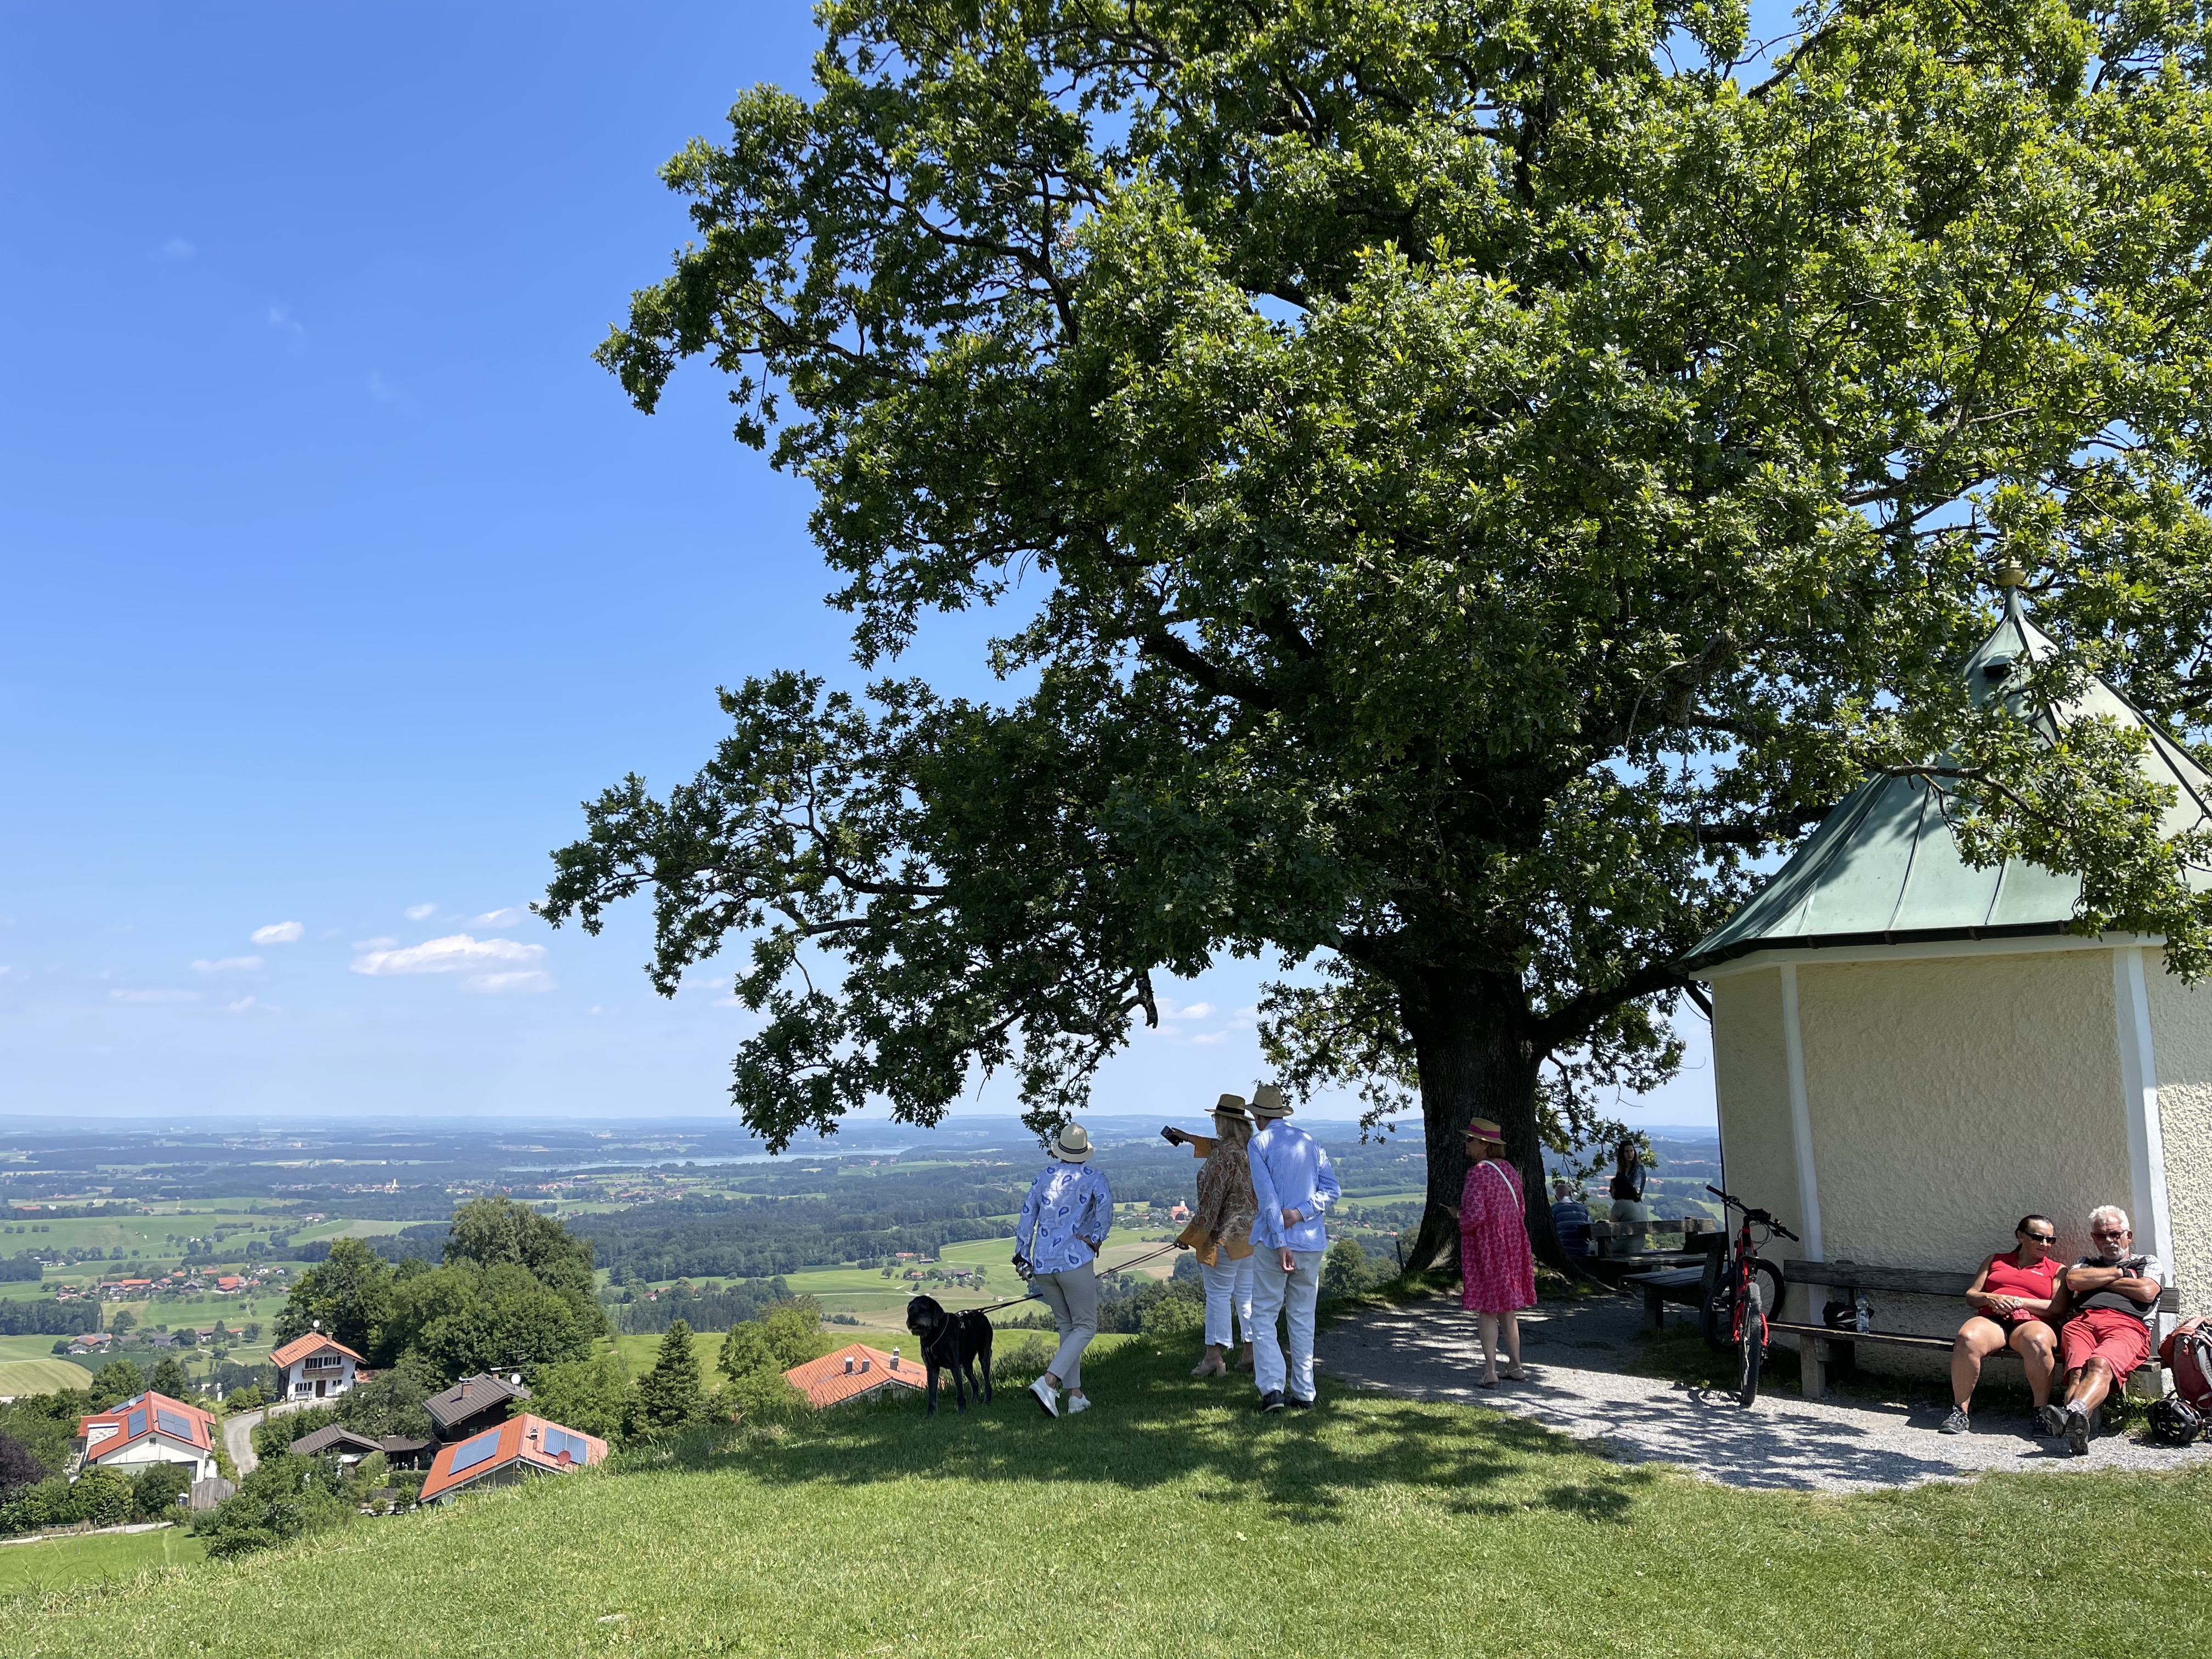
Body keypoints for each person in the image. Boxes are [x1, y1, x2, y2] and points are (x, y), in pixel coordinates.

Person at [1244, 1084, 1341, 1413]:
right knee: (1302, 1317)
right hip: (1311, 1241)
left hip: (1274, 1243)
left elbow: (1268, 1199)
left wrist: (1282, 1241)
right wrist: (1302, 1212)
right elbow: (1332, 1190)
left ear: (1259, 1117)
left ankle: (1272, 1390)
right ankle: (1304, 1392)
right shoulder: (1310, 1142)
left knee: (1264, 1315)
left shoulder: (1259, 1143)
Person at [1012, 1122, 1113, 1419]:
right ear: (1085, 1152)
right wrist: (1096, 1238)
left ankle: (1075, 1396)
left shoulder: (1043, 1177)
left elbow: (1027, 1217)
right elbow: (1106, 1208)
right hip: (1075, 1262)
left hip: (1043, 1264)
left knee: (1068, 1327)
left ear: (1060, 1150)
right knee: (1086, 1327)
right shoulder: (1094, 1177)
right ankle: (1048, 1382)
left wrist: (1022, 1255)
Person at [2051, 1204, 2166, 1455]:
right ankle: (2078, 1432)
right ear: (2094, 1238)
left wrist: (2098, 1280)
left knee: (2100, 1364)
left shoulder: (2147, 1262)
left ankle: (2070, 1414)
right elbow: (2074, 1280)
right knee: (2077, 1374)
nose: (2109, 1240)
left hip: (2128, 1325)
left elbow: (2147, 1291)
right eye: (2101, 1236)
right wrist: (2120, 1273)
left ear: (2128, 1236)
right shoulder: (2085, 1262)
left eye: (2115, 1234)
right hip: (2082, 1323)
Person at [1942, 1215, 2066, 1436]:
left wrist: (2018, 1301)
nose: (2045, 1244)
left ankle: (2042, 1413)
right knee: (1967, 1337)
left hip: (2033, 1322)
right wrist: (1991, 1298)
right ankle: (1960, 1411)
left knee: (2037, 1342)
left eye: (2051, 1240)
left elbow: (2056, 1308)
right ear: (2020, 1236)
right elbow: (1972, 1295)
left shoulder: (2057, 1269)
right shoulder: (1995, 1260)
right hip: (1994, 1320)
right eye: (2038, 1237)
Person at [1164, 1094, 1259, 1377]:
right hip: (1251, 1237)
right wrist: (1188, 1138)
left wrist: (1189, 1236)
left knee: (1218, 1295)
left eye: (1217, 1118)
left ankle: (1214, 1358)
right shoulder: (1250, 1149)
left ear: (1224, 1121)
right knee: (1246, 1296)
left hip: (1224, 1239)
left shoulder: (1223, 1156)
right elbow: (1219, 1147)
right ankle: (1251, 1353)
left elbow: (1211, 1202)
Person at [1446, 1119, 1536, 1386]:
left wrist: (1457, 1215)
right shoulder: (1509, 1170)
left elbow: (1475, 1216)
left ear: (1485, 1144)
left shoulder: (1478, 1173)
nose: (1466, 1143)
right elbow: (1521, 1209)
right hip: (1512, 1243)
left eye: (1470, 1139)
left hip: (1488, 1246)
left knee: (1488, 1307)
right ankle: (1516, 1366)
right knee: (1507, 1307)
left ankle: (1490, 1372)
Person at [1607, 1137, 1650, 1224]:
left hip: (1634, 1206)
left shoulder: (1638, 1168)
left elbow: (1636, 1191)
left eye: (1632, 1151)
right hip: (1622, 1206)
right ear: (1622, 1154)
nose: (1630, 1154)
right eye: (1627, 1151)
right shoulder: (1621, 1172)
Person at [1548, 1178, 1593, 1260]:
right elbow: (1591, 1229)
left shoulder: (1553, 1209)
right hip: (1583, 1251)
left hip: (1563, 1251)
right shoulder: (1583, 1208)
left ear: (1556, 1197)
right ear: (1570, 1193)